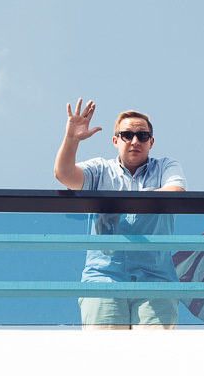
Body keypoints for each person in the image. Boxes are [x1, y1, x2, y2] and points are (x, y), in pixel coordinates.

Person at [53, 99, 186, 329]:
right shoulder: (100, 169)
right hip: (103, 279)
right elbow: (64, 175)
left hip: (155, 281)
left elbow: (174, 191)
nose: (135, 141)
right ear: (115, 140)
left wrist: (117, 206)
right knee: (105, 358)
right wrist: (71, 140)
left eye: (142, 136)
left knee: (156, 359)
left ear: (151, 142)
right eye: (127, 135)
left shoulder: (165, 165)